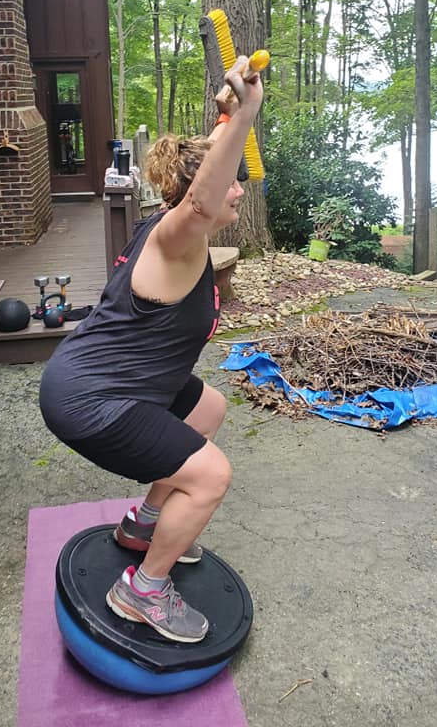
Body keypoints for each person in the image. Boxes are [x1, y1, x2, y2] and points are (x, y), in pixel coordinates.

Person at [39, 55, 263, 644]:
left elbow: (201, 183)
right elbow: (202, 200)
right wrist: (248, 116)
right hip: (91, 398)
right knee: (211, 476)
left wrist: (227, 116)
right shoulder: (178, 236)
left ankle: (146, 523)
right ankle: (143, 590)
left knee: (208, 408)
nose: (238, 188)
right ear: (198, 194)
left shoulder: (170, 223)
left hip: (113, 377)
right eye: (230, 179)